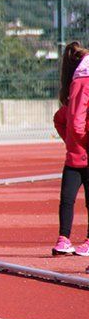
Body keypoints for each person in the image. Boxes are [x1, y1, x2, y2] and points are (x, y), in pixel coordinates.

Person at [52, 42, 89, 257]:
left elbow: (61, 119)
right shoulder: (83, 84)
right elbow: (74, 122)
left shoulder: (73, 88)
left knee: (67, 199)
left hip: (73, 157)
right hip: (83, 153)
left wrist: (71, 141)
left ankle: (63, 239)